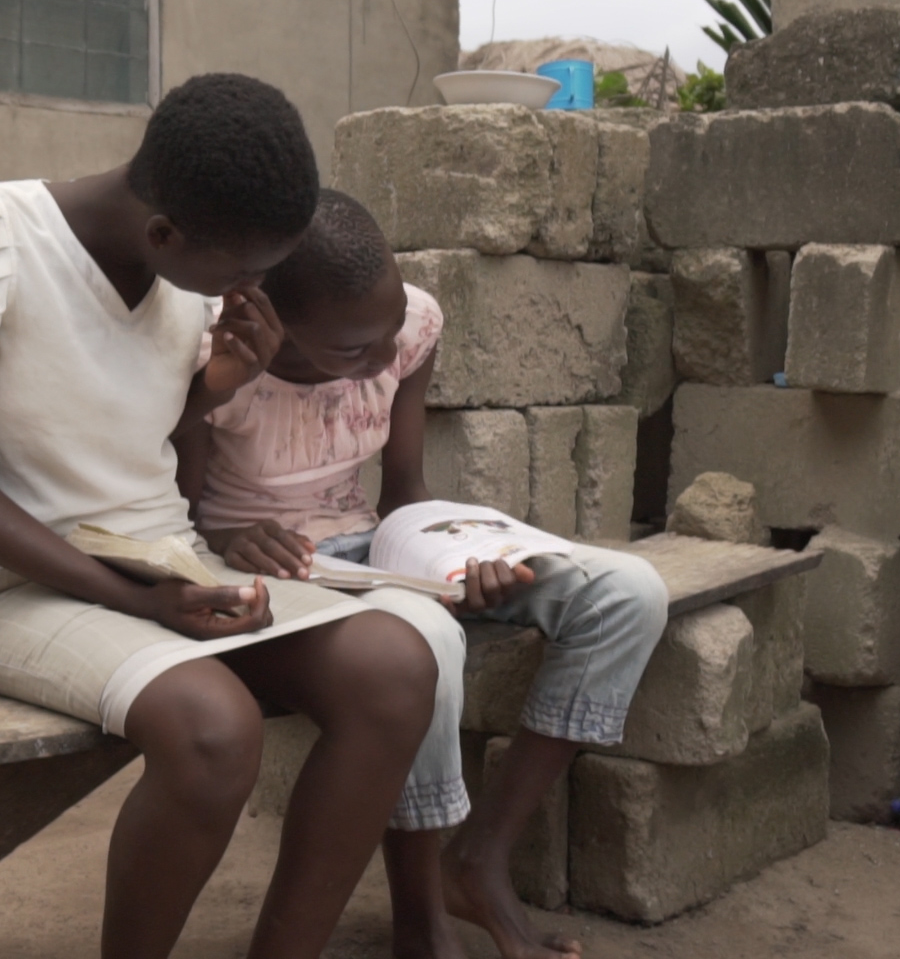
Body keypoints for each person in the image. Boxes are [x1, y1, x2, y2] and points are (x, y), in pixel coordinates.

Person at [0, 75, 442, 959]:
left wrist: (211, 388)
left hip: (167, 569)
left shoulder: (197, 265)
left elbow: (145, 443)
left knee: (393, 663)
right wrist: (140, 600)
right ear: (164, 235)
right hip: (14, 590)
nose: (260, 290)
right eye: (248, 271)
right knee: (210, 726)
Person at [177, 189, 671, 959]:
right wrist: (231, 534)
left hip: (376, 544)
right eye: (353, 351)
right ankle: (421, 919)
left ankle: (479, 860)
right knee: (427, 639)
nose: (382, 359)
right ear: (273, 326)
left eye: (389, 335)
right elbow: (181, 512)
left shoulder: (407, 326)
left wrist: (456, 559)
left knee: (627, 594)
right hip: (279, 572)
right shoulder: (220, 362)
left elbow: (403, 485)